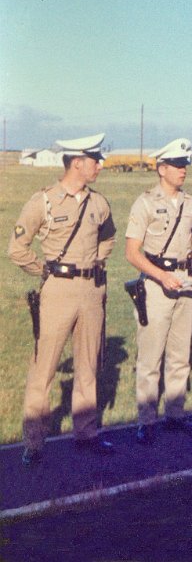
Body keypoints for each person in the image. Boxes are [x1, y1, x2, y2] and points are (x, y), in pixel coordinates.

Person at [8, 133, 116, 465]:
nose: (99, 165)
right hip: (57, 290)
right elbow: (16, 249)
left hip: (91, 289)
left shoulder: (99, 203)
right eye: (95, 160)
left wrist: (92, 265)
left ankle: (85, 433)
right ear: (76, 162)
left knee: (88, 365)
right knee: (44, 368)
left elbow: (108, 238)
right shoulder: (44, 201)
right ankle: (34, 442)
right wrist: (45, 270)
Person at [125, 138, 192, 445]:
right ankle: (146, 420)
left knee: (180, 355)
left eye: (185, 164)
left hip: (186, 284)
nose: (182, 170)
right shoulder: (144, 203)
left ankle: (175, 414)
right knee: (151, 357)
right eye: (176, 165)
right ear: (161, 169)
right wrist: (162, 277)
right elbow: (132, 253)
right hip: (156, 285)